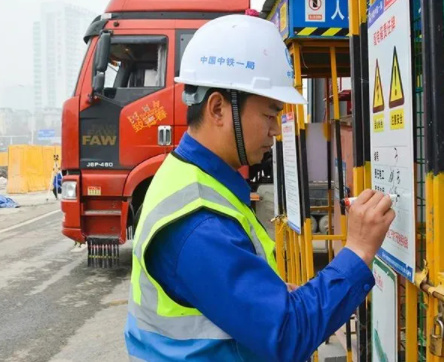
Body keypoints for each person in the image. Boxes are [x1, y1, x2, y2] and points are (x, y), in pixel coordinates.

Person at [124, 14, 395, 362]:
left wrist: (267, 296)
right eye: (270, 115)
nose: (276, 131)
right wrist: (357, 251)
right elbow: (286, 334)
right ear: (218, 108)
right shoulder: (199, 223)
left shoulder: (189, 177)